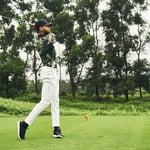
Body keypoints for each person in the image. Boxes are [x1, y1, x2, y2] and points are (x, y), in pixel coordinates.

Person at [17, 19, 64, 140]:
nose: (49, 27)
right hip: (48, 72)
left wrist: (37, 27)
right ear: (42, 29)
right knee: (46, 101)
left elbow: (37, 33)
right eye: (47, 26)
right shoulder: (47, 38)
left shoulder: (36, 37)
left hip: (52, 71)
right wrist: (38, 27)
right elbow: (52, 36)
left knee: (55, 101)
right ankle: (25, 123)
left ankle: (56, 128)